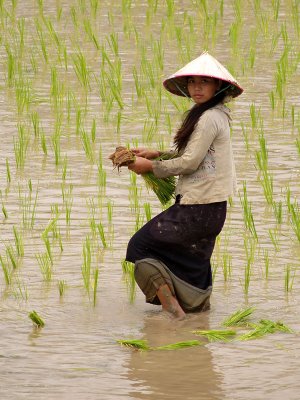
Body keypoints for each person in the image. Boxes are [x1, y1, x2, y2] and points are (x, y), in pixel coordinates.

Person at [126, 51, 243, 319]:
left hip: (198, 208)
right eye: (192, 82)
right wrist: (159, 154)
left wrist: (152, 167)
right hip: (212, 209)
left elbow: (190, 164)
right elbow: (201, 158)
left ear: (218, 87)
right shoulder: (213, 114)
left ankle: (175, 315)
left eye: (204, 82)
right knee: (193, 261)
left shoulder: (209, 117)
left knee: (140, 247)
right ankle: (198, 316)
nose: (197, 87)